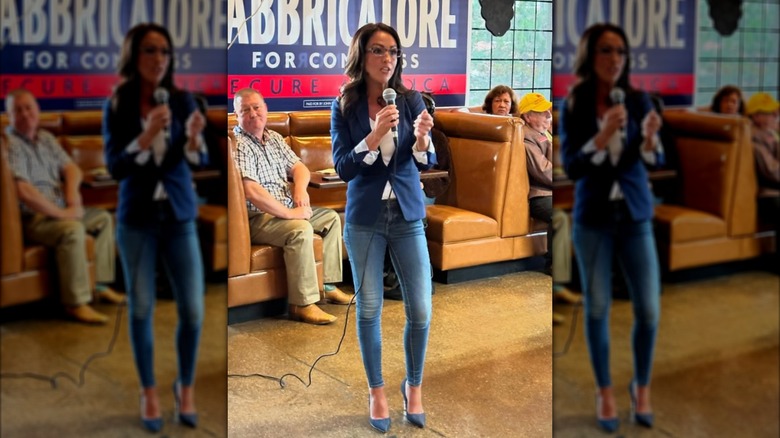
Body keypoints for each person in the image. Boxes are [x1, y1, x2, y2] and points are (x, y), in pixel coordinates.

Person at [331, 22, 436, 433]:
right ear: (362, 56)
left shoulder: (411, 100)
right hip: (364, 219)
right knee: (370, 307)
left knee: (422, 310)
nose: (387, 58)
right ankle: (377, 391)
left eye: (392, 51)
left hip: (408, 215)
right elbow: (343, 168)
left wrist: (424, 141)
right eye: (377, 50)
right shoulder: (344, 105)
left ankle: (413, 386)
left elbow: (423, 162)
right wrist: (373, 137)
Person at [559, 23, 664, 432]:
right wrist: (601, 136)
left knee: (650, 310)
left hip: (636, 216)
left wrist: (651, 140)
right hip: (594, 220)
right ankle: (604, 391)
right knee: (598, 307)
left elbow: (654, 160)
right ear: (591, 55)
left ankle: (642, 386)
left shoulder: (639, 101)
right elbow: (574, 164)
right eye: (606, 50)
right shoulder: (576, 104)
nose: (615, 58)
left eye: (620, 51)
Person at [103, 23, 207, 432]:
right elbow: (115, 166)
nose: (159, 58)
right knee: (142, 308)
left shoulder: (181, 101)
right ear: (134, 55)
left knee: (195, 311)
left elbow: (195, 162)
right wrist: (145, 136)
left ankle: (186, 385)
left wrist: (195, 139)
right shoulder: (118, 104)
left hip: (179, 216)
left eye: (164, 51)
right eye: (150, 50)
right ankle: (149, 390)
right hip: (137, 221)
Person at [232, 88, 351, 324]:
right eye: (245, 110)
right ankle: (302, 304)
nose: (253, 113)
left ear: (265, 109)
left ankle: (326, 285)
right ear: (237, 116)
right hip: (258, 218)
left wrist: (299, 189)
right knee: (300, 229)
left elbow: (300, 168)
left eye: (257, 107)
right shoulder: (239, 144)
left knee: (329, 219)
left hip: (285, 209)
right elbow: (250, 190)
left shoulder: (274, 138)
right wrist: (290, 213)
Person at [5, 89, 124, 324]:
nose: (25, 114)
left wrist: (73, 200)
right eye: (17, 110)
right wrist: (61, 213)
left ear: (38, 110)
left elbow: (71, 168)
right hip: (33, 219)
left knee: (103, 219)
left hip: (61, 210)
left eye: (29, 107)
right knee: (72, 230)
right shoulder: (8, 144)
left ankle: (98, 285)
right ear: (9, 116)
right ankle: (76, 303)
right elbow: (23, 190)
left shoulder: (47, 139)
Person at [517, 92, 580, 325]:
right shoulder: (525, 137)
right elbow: (543, 172)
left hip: (556, 190)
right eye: (541, 112)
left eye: (547, 111)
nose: (547, 115)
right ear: (527, 116)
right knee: (561, 217)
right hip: (540, 195)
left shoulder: (544, 132)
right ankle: (556, 270)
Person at [745, 92, 779, 264]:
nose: (775, 116)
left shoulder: (772, 135)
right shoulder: (753, 137)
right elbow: (771, 171)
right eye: (770, 112)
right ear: (756, 116)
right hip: (769, 194)